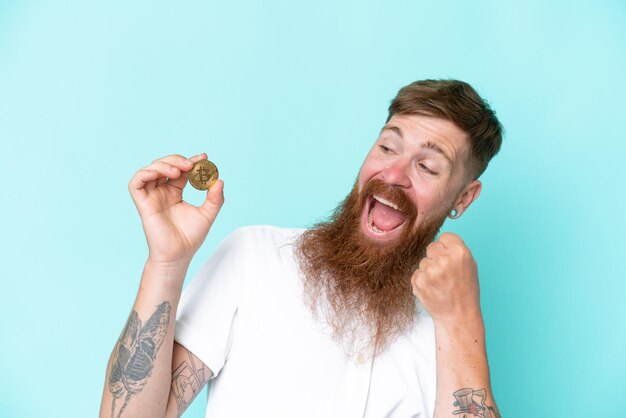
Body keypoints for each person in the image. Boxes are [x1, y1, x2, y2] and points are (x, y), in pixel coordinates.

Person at [99, 79, 503, 418]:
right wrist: (167, 264)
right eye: (387, 147)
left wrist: (461, 321)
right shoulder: (254, 258)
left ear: (463, 199)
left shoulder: (447, 332)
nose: (393, 174)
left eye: (427, 167)